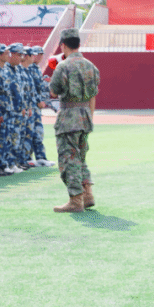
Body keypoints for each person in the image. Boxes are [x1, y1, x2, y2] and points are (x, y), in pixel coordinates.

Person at [49, 28, 100, 213]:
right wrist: (89, 119)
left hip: (69, 118)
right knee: (80, 158)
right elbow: (93, 96)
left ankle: (76, 200)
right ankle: (87, 195)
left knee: (68, 159)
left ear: (63, 45)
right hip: (85, 117)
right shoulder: (91, 66)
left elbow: (53, 92)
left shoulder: (63, 66)